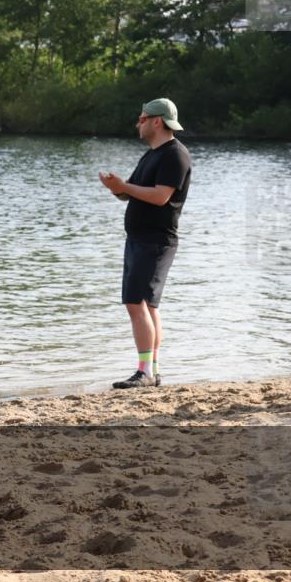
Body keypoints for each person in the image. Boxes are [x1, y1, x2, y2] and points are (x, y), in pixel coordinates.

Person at [98, 98, 192, 389]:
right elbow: (134, 193)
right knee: (148, 306)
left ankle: (145, 373)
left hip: (155, 240)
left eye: (142, 118)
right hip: (140, 239)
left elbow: (161, 196)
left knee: (136, 302)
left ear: (157, 121)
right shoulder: (152, 154)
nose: (138, 123)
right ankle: (152, 368)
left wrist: (124, 187)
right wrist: (118, 188)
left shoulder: (175, 154)